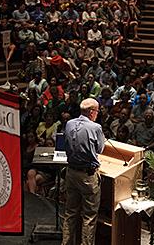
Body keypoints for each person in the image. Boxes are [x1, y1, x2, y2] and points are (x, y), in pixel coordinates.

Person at [62, 98, 105, 245]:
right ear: (92, 112)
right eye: (97, 111)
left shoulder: (69, 123)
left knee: (70, 213)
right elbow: (100, 149)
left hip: (71, 173)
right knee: (89, 217)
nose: (97, 114)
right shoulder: (95, 128)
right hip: (87, 176)